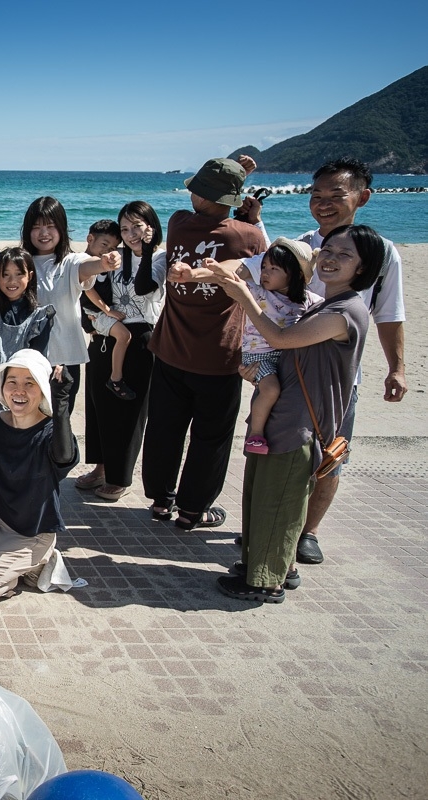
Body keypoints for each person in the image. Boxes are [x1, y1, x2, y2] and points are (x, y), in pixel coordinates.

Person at [203, 224, 379, 603]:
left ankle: (266, 581)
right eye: (328, 251)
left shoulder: (344, 312)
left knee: (278, 499)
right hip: (286, 414)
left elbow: (280, 339)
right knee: (263, 493)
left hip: (300, 422)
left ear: (363, 269)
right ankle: (264, 567)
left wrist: (244, 297)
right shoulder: (325, 304)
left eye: (345, 255)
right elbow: (286, 353)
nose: (331, 259)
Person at [292, 157, 407, 565]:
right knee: (284, 451)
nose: (323, 203)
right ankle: (277, 523)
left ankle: (308, 531)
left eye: (335, 195)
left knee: (329, 454)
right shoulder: (304, 244)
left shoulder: (380, 253)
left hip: (341, 378)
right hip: (293, 371)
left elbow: (389, 313)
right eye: (316, 195)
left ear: (362, 197)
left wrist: (397, 368)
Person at [142, 158, 267, 530]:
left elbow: (210, 217)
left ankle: (161, 501)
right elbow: (263, 255)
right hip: (220, 356)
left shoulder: (180, 223)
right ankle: (194, 509)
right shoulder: (247, 236)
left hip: (171, 348)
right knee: (210, 438)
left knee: (165, 428)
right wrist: (252, 213)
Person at [0, 349, 78, 606]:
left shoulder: (52, 432)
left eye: (30, 383)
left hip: (30, 536)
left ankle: (22, 571)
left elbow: (65, 458)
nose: (19, 390)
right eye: (13, 382)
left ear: (43, 389)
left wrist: (61, 401)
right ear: (3, 387)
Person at [77, 202, 168, 502]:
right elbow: (89, 285)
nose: (130, 235)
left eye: (136, 227)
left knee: (127, 411)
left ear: (151, 227)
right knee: (98, 405)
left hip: (140, 338)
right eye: (125, 229)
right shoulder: (117, 257)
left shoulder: (159, 258)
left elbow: (143, 287)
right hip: (105, 335)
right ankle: (101, 467)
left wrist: (146, 247)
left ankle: (120, 477)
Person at [215, 239, 320, 455]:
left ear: (296, 275)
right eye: (264, 267)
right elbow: (233, 281)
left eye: (274, 269)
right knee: (271, 390)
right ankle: (256, 434)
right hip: (258, 356)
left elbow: (328, 308)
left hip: (283, 358)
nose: (265, 273)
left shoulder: (306, 300)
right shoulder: (259, 293)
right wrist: (212, 271)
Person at [20, 196, 122, 409]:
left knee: (59, 429)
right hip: (25, 358)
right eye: (37, 227)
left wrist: (104, 263)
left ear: (61, 229)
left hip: (64, 359)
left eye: (50, 226)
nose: (44, 233)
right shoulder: (20, 262)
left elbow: (87, 266)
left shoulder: (69, 262)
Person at [0, 247, 54, 416]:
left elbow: (37, 361)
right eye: (5, 275)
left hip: (16, 390)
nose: (12, 281)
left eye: (19, 274)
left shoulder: (40, 316)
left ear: (30, 276)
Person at [80, 220, 134, 400]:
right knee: (124, 336)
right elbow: (88, 290)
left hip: (99, 313)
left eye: (113, 248)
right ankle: (116, 378)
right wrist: (108, 310)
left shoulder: (105, 262)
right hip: (95, 313)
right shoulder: (84, 262)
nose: (108, 251)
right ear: (89, 239)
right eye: (104, 244)